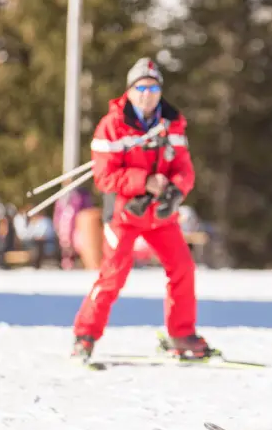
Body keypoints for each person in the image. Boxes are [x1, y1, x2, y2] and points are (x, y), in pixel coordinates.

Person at [71, 58, 212, 360]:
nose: (147, 94)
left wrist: (175, 190)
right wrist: (144, 182)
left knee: (183, 268)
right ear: (130, 90)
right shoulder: (112, 125)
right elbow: (104, 176)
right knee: (113, 275)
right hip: (125, 213)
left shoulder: (172, 121)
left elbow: (184, 167)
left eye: (153, 87)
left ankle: (181, 334)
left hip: (161, 215)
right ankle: (85, 336)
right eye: (141, 87)